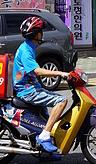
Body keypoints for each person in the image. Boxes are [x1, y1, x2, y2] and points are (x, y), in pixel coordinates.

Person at [13, 16, 71, 153]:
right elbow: (38, 71)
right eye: (40, 32)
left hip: (32, 88)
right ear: (35, 34)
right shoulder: (26, 51)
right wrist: (60, 73)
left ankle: (44, 144)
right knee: (61, 101)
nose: (42, 34)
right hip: (28, 91)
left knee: (45, 120)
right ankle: (44, 136)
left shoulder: (28, 47)